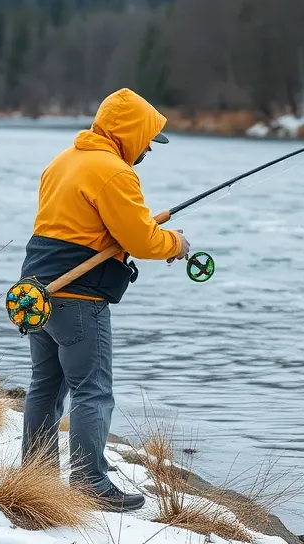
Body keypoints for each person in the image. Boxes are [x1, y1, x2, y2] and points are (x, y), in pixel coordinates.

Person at [20, 88, 190, 511]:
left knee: (45, 387)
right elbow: (141, 239)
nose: (149, 148)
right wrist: (176, 244)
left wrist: (138, 234)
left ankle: (35, 476)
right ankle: (89, 482)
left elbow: (85, 227)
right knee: (92, 390)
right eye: (148, 139)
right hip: (79, 297)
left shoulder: (64, 161)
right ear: (130, 133)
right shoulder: (114, 172)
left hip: (38, 293)